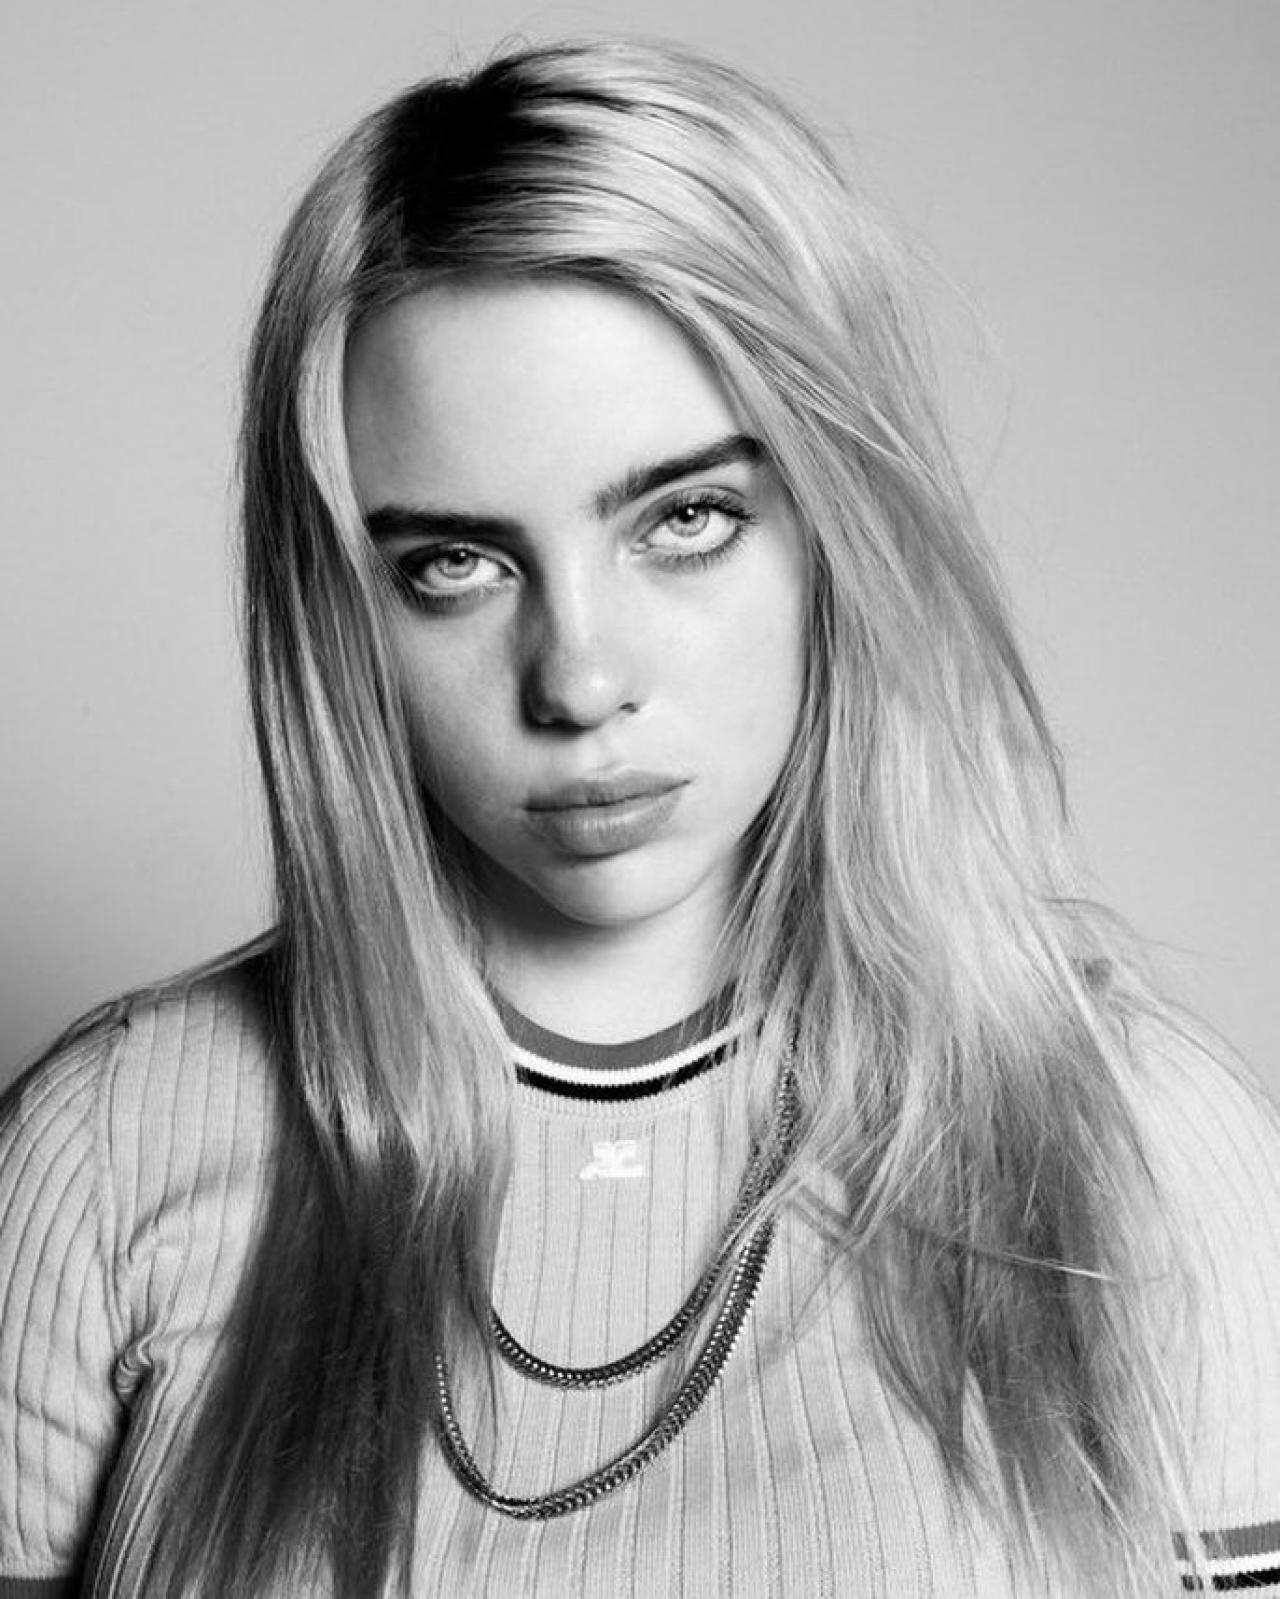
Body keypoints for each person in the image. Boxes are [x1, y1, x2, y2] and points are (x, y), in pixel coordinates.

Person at [1, 36, 1277, 1599]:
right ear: (341, 611)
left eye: (686, 519)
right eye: (454, 564)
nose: (581, 678)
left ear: (843, 527)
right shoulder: (108, 1153)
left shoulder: (1136, 1145)